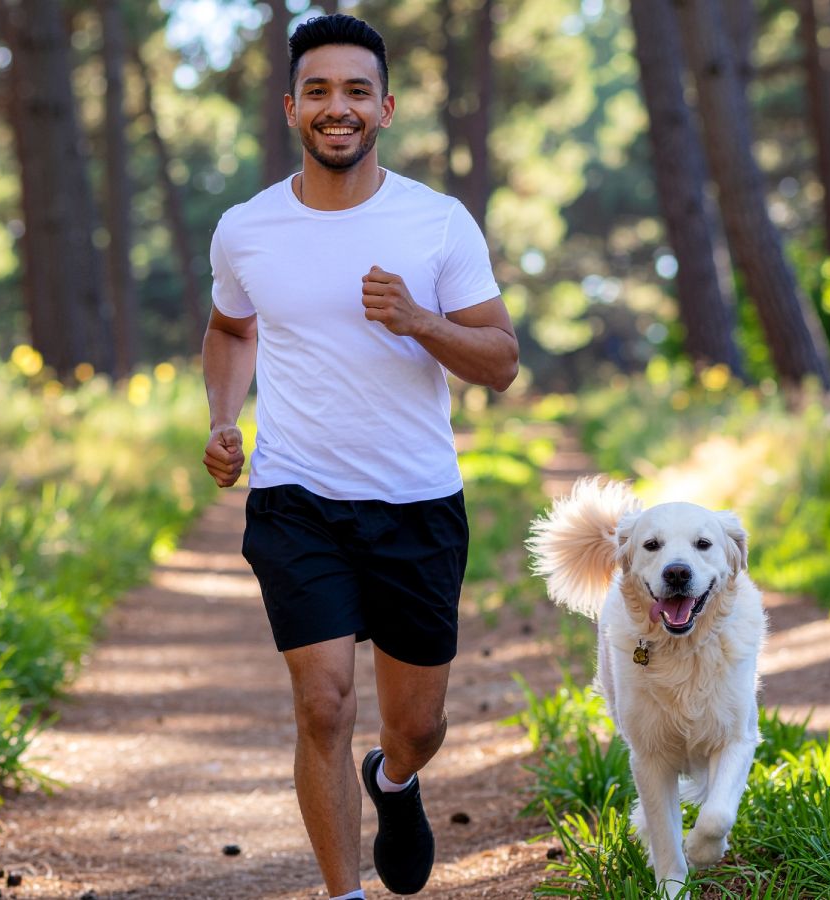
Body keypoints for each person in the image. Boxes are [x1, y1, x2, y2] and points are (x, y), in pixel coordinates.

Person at [200, 13, 518, 899]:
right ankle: (343, 894)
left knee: (416, 724)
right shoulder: (247, 228)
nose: (335, 107)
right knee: (323, 704)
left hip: (417, 502)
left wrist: (421, 320)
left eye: (354, 91)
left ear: (385, 108)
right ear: (290, 108)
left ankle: (398, 778)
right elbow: (231, 328)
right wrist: (224, 419)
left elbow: (501, 362)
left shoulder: (436, 222)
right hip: (297, 498)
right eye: (318, 91)